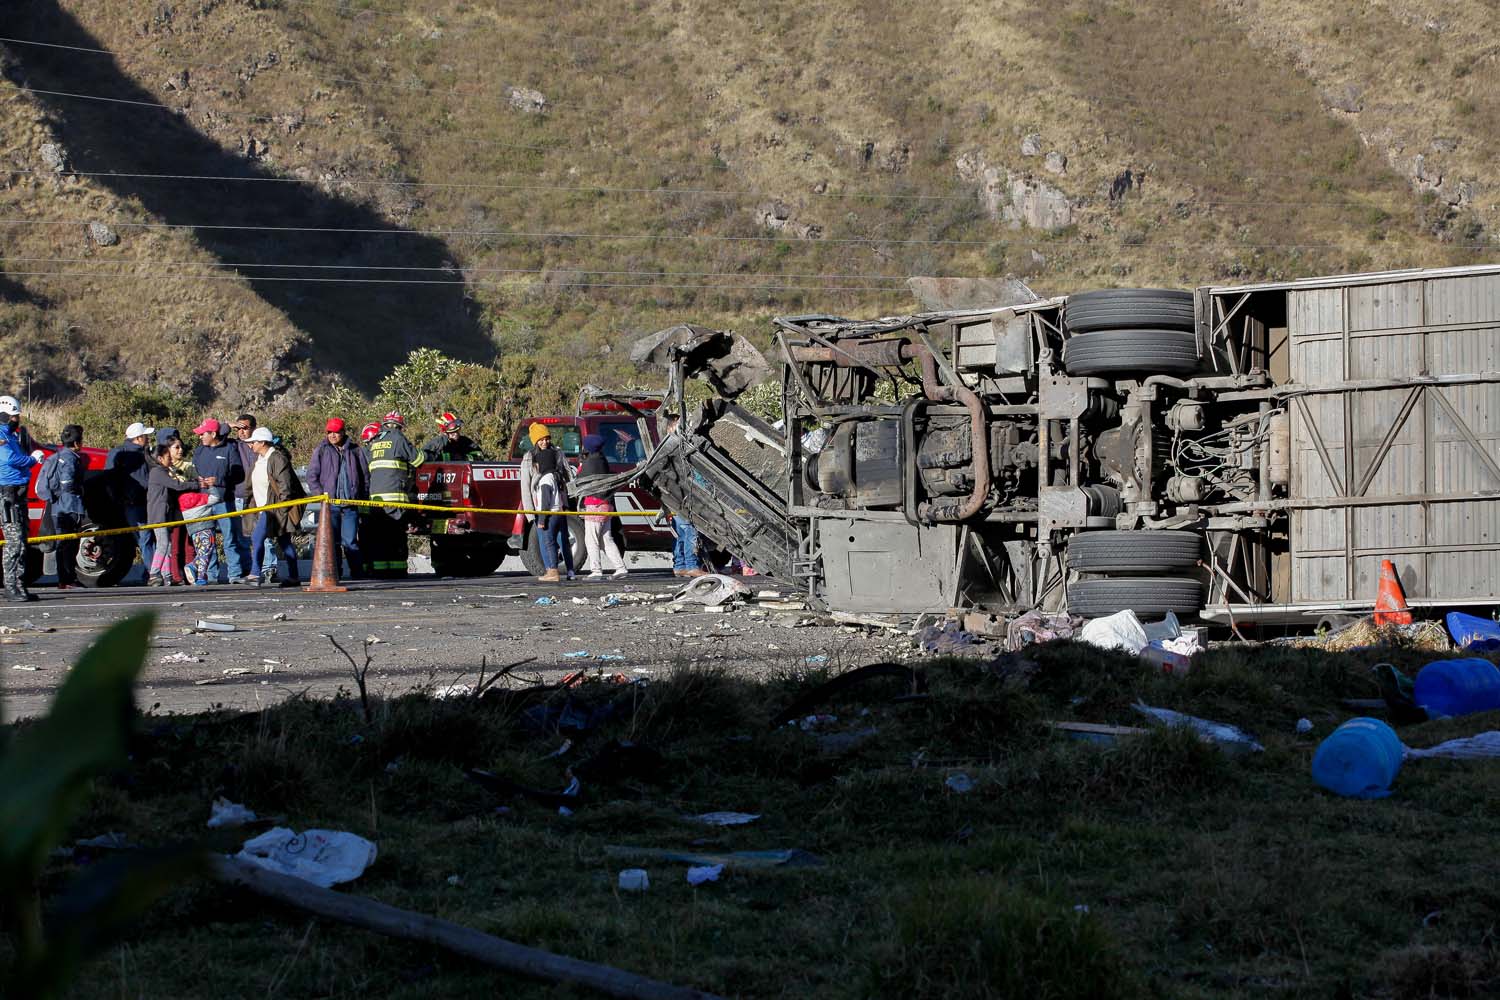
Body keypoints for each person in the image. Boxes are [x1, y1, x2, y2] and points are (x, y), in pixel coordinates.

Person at [306, 417, 369, 578]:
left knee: (350, 542)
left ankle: (358, 574)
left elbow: (365, 477)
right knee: (332, 543)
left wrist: (362, 498)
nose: (333, 435)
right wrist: (321, 496)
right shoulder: (321, 450)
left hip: (350, 505)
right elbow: (312, 476)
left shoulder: (355, 450)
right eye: (329, 432)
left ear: (343, 432)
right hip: (330, 506)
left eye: (336, 432)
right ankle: (335, 574)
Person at [364, 412, 424, 579]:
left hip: (375, 501)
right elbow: (418, 460)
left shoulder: (374, 442)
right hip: (394, 499)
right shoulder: (398, 438)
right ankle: (397, 571)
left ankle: (380, 571)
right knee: (396, 538)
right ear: (399, 426)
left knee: (379, 538)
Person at [245, 427, 303, 587]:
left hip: (275, 509)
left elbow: (285, 485)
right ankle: (294, 576)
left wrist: (282, 509)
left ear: (263, 442)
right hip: (264, 508)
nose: (251, 445)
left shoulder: (277, 458)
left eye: (254, 442)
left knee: (257, 537)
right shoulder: (259, 460)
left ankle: (255, 574)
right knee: (284, 541)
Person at [145, 442, 209, 587]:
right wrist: (197, 485)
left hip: (164, 514)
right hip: (159, 515)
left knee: (166, 545)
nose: (171, 459)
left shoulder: (163, 471)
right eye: (168, 457)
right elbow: (176, 485)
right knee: (163, 544)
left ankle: (166, 575)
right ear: (160, 459)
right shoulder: (158, 472)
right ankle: (154, 573)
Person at [0, 395, 44, 602]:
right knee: (14, 542)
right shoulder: (1, 435)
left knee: (23, 542)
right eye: (14, 416)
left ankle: (19, 586)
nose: (17, 419)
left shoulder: (12, 435)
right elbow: (9, 459)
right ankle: (10, 586)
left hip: (19, 492)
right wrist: (32, 459)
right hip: (7, 494)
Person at [519, 422, 575, 583]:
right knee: (547, 540)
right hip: (540, 507)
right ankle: (551, 570)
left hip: (557, 505)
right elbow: (525, 487)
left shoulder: (557, 453)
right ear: (535, 441)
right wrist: (530, 515)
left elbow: (568, 477)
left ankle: (561, 571)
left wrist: (568, 501)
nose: (545, 442)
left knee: (560, 539)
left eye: (547, 438)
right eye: (541, 439)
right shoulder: (529, 457)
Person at [192, 418, 246, 583]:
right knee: (207, 540)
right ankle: (211, 574)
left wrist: (220, 480)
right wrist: (197, 481)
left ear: (213, 434)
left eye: (203, 434)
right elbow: (192, 472)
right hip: (203, 502)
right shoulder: (199, 451)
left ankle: (234, 574)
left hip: (224, 501)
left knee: (229, 538)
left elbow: (239, 475)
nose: (200, 437)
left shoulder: (229, 449)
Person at [37, 424, 86, 590]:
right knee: (69, 545)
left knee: (62, 544)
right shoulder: (71, 459)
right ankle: (68, 579)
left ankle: (64, 579)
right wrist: (78, 489)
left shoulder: (56, 456)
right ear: (77, 443)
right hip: (69, 506)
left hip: (56, 506)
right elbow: (67, 482)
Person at [105, 420, 156, 577]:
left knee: (147, 538)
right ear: (139, 438)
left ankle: (152, 571)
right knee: (145, 538)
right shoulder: (136, 455)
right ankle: (154, 572)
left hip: (139, 502)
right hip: (136, 503)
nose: (148, 439)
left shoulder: (127, 452)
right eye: (145, 436)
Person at [577, 434, 627, 580]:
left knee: (591, 538)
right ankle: (620, 567)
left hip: (594, 504)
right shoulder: (602, 460)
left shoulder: (589, 463)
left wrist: (580, 465)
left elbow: (579, 480)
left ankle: (596, 570)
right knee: (606, 538)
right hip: (606, 504)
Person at [661, 415, 706, 578]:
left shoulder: (667, 449)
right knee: (690, 530)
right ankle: (691, 565)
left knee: (680, 531)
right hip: (685, 497)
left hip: (675, 497)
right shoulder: (680, 449)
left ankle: (680, 565)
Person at [231, 414, 273, 582]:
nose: (241, 432)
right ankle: (250, 568)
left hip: (262, 496)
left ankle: (269, 567)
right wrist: (231, 424)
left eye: (245, 428)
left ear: (254, 429)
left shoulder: (262, 445)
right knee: (243, 536)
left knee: (265, 534)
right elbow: (219, 431)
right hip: (241, 495)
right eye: (238, 428)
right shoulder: (234, 446)